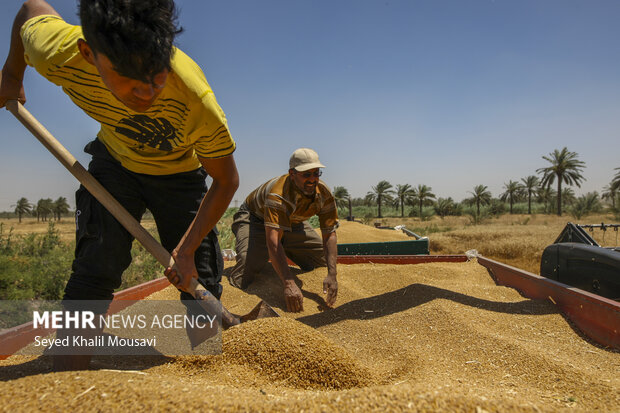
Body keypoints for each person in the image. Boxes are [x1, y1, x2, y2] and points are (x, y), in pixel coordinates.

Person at [0, 0, 239, 369]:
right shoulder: (59, 52)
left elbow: (226, 180)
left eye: (156, 74)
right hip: (115, 163)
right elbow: (31, 10)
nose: (146, 92)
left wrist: (188, 247)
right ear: (88, 54)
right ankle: (68, 366)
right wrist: (12, 74)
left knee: (200, 274)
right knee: (97, 264)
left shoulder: (196, 101)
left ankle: (208, 368)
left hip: (179, 175)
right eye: (129, 77)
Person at [227, 148, 338, 312]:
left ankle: (278, 256)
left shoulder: (323, 193)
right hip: (255, 218)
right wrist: (288, 283)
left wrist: (332, 275)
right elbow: (273, 241)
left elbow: (329, 235)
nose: (312, 179)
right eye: (306, 174)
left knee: (321, 261)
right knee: (245, 270)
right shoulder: (278, 195)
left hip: (292, 222)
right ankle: (261, 260)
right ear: (292, 174)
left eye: (316, 173)